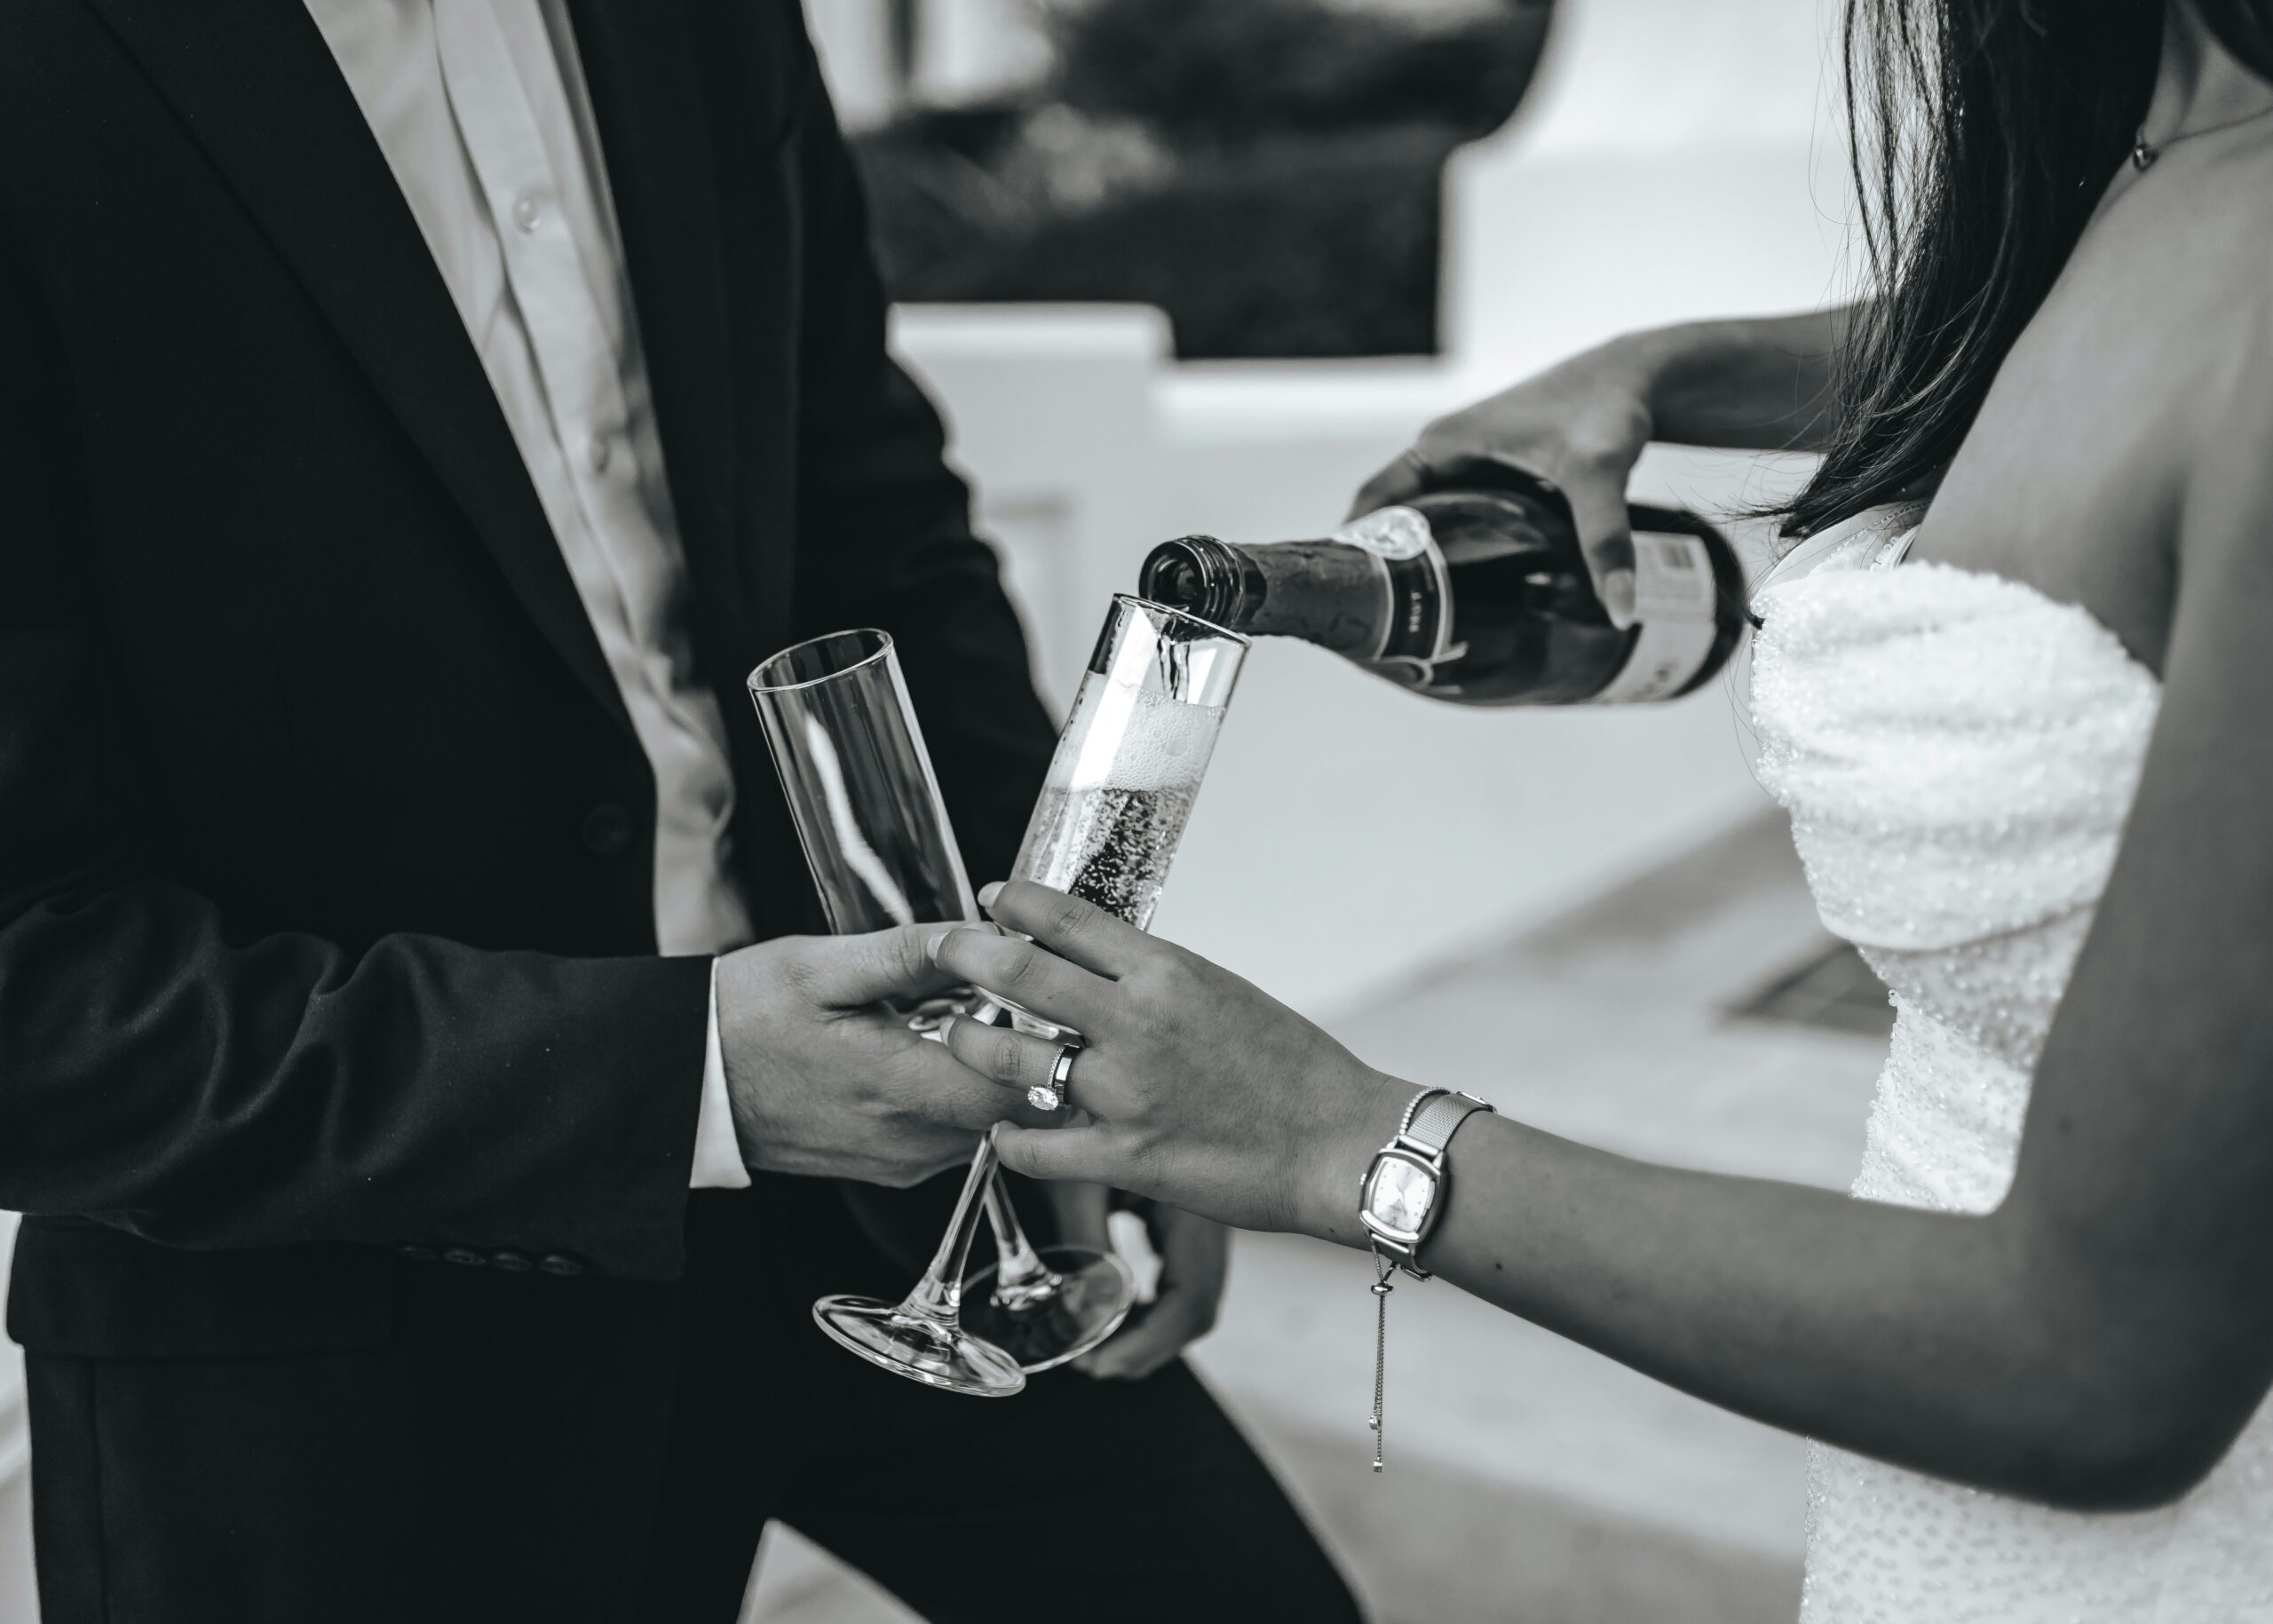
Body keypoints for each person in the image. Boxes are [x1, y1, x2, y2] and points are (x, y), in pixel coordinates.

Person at [0, 4, 1358, 1620]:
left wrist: (1075, 1040)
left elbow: (871, 521)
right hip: (348, 1336)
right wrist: (682, 1081)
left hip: (906, 1184)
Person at [930, 0, 2273, 1617]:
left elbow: (2099, 1363)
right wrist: (1662, 366)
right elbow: (2066, 344)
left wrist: (1330, 1132)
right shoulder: (2153, 131)